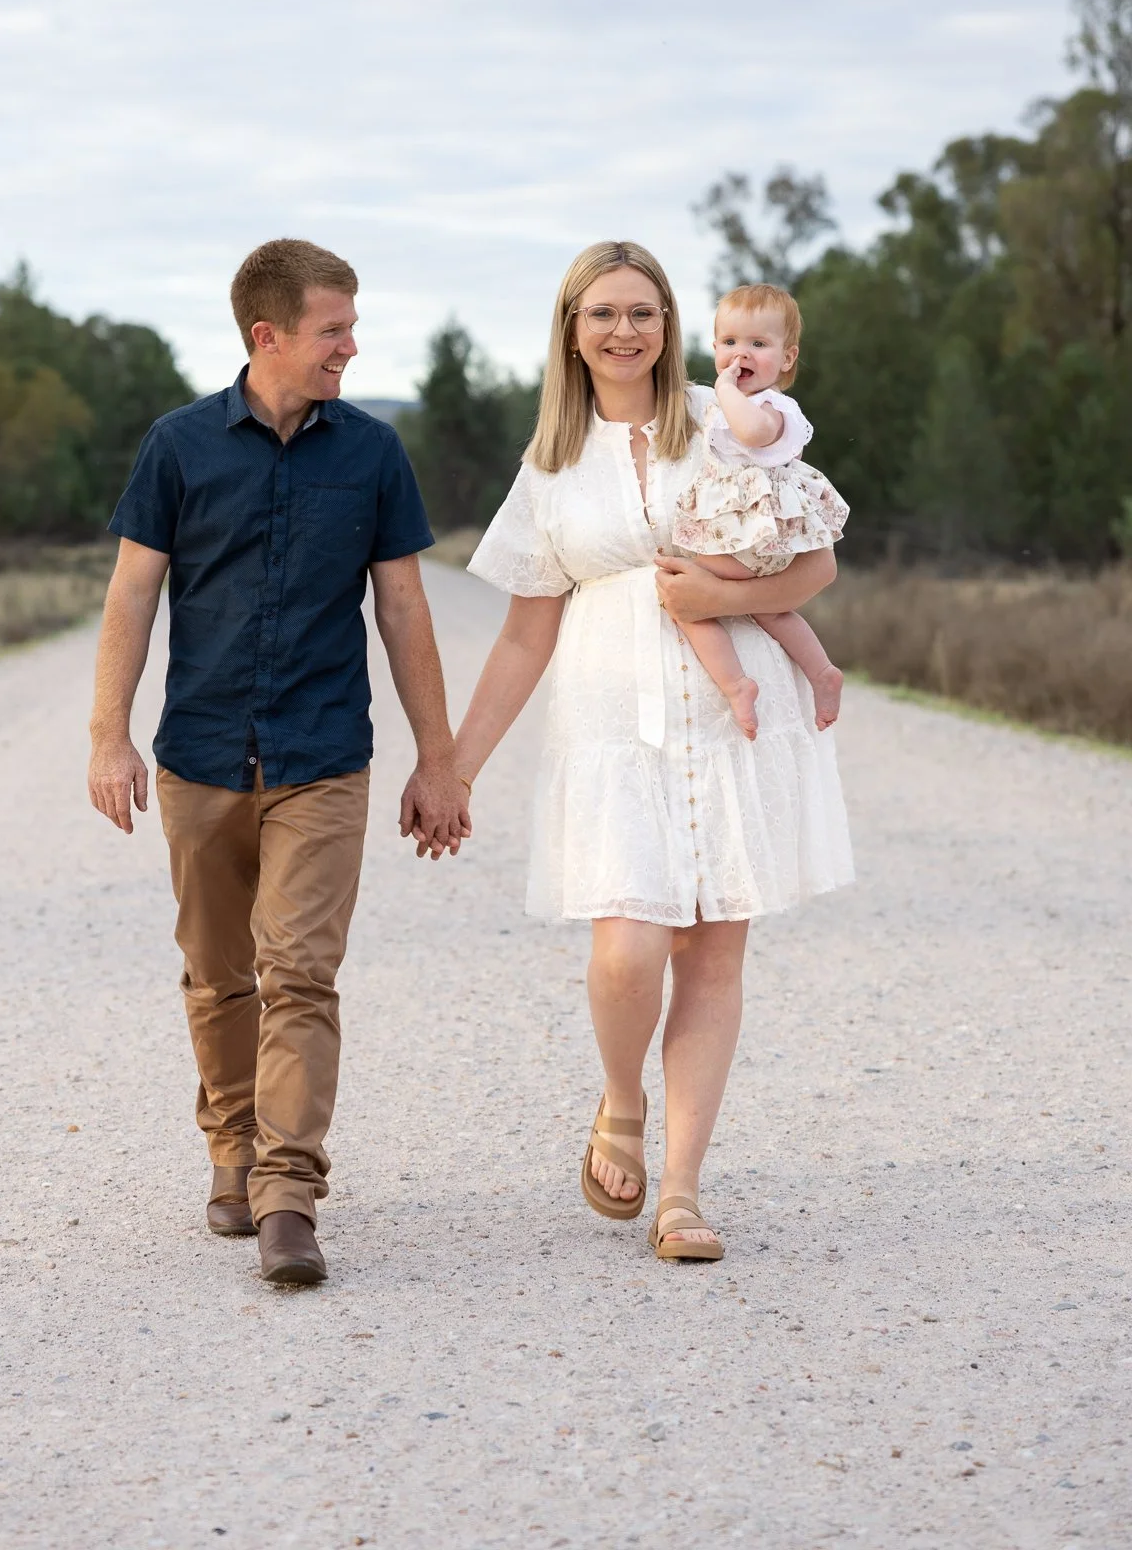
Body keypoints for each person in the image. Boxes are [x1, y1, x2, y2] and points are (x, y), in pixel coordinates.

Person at [452, 241, 852, 1262]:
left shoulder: (725, 425)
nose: (623, 331)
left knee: (714, 955)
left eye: (642, 312)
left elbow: (813, 564)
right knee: (627, 948)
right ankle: (619, 1100)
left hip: (732, 722)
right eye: (602, 314)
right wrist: (454, 764)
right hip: (607, 728)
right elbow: (521, 633)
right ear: (571, 330)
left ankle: (680, 1191)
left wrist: (725, 598)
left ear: (669, 326)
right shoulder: (549, 464)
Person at [87, 239, 469, 1287]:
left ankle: (288, 1193)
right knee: (219, 977)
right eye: (333, 329)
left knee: (298, 972)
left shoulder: (373, 453)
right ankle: (232, 1151)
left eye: (350, 327)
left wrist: (440, 761)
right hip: (201, 756)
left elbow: (402, 607)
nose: (351, 345)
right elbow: (132, 595)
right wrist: (105, 733)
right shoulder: (176, 448)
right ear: (269, 336)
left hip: (322, 758)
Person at [670, 282, 850, 740]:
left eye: (757, 344)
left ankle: (736, 686)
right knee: (769, 610)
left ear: (786, 358)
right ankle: (821, 671)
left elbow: (750, 433)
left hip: (762, 537)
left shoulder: (772, 407)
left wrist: (723, 389)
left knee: (685, 594)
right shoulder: (733, 406)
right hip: (751, 539)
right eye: (729, 343)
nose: (740, 354)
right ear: (713, 347)